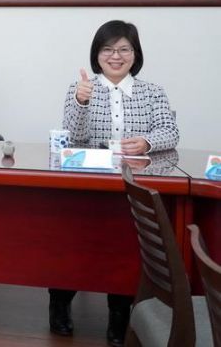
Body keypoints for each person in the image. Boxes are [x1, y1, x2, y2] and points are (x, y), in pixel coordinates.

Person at [49, 19, 179, 346]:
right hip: (90, 185)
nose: (116, 56)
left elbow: (170, 132)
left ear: (135, 54)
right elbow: (74, 138)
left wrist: (146, 142)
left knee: (125, 247)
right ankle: (60, 301)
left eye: (124, 49)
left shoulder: (152, 92)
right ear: (97, 55)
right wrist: (80, 102)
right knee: (73, 241)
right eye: (108, 49)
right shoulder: (82, 88)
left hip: (134, 186)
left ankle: (119, 312)